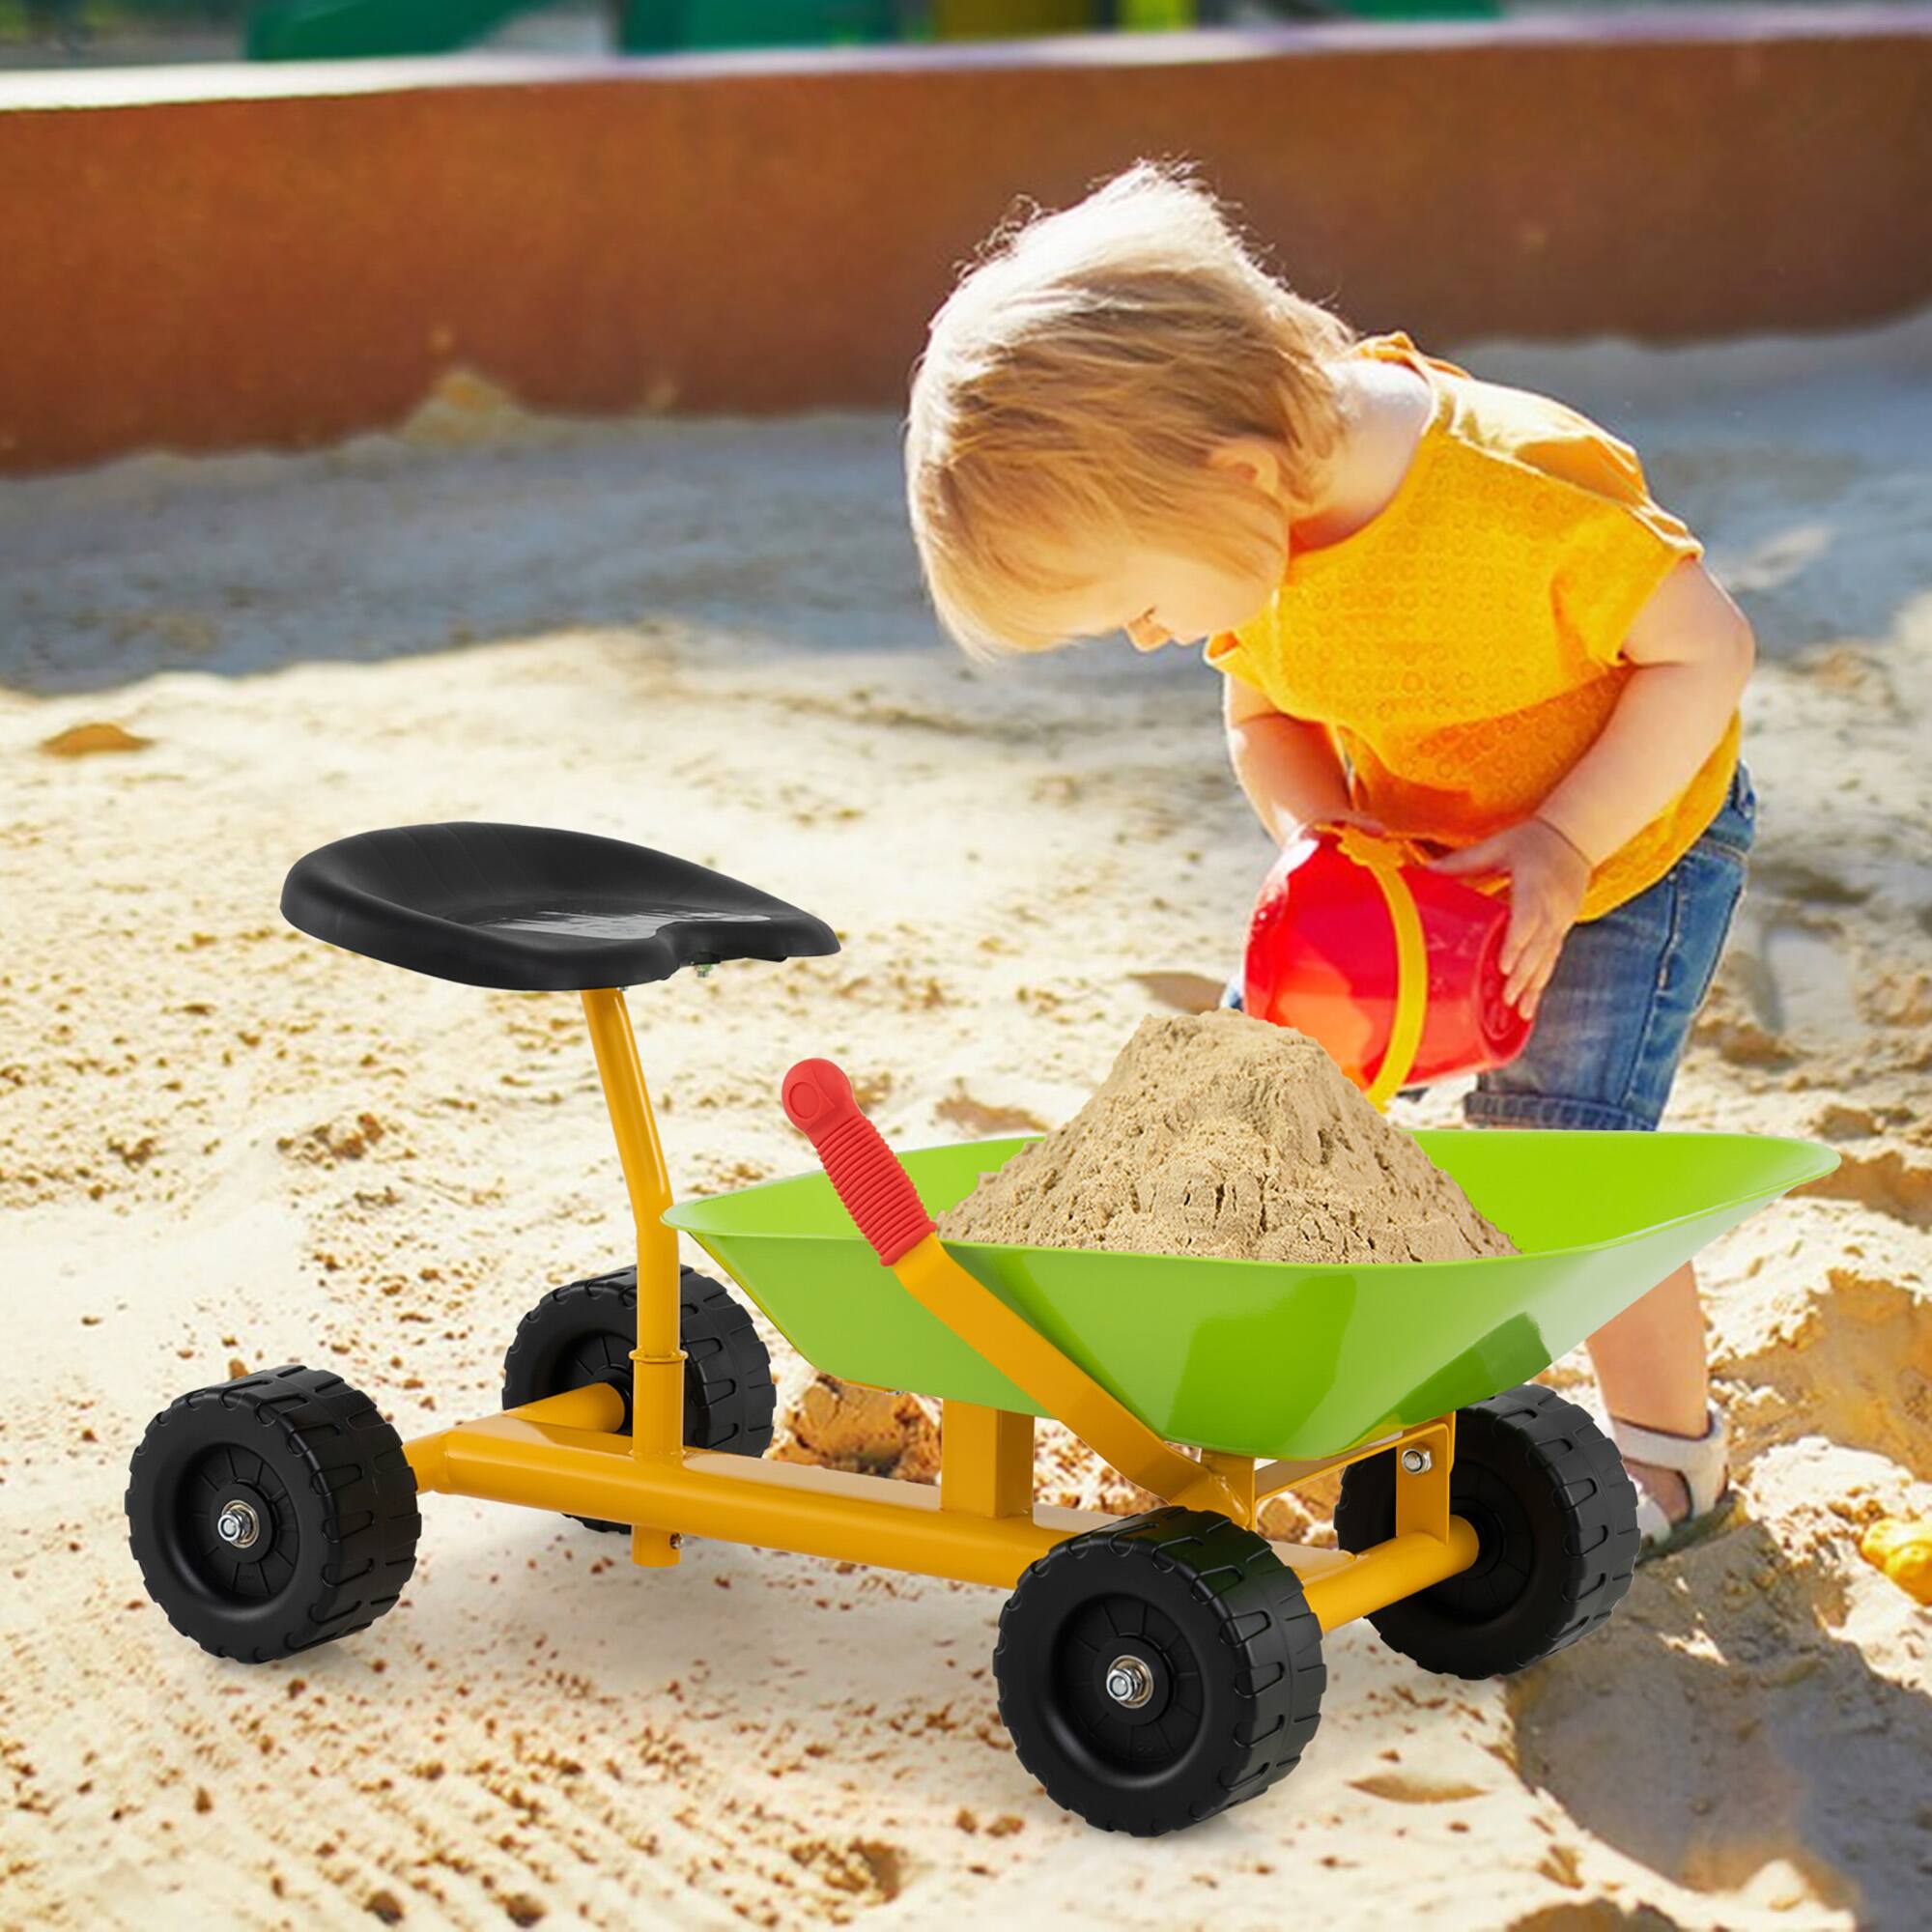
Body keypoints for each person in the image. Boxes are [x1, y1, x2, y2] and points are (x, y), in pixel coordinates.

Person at [902, 159, 1757, 1560]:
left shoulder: (1510, 492)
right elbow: (1268, 714)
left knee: (1568, 1149)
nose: (1145, 637)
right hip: (1403, 861)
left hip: (1622, 850)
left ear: (1234, 477)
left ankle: (1671, 1464)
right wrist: (1314, 829)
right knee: (1267, 1101)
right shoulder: (1244, 519)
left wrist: (1560, 842)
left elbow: (1707, 650)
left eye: (1137, 604)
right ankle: (1273, 1388)